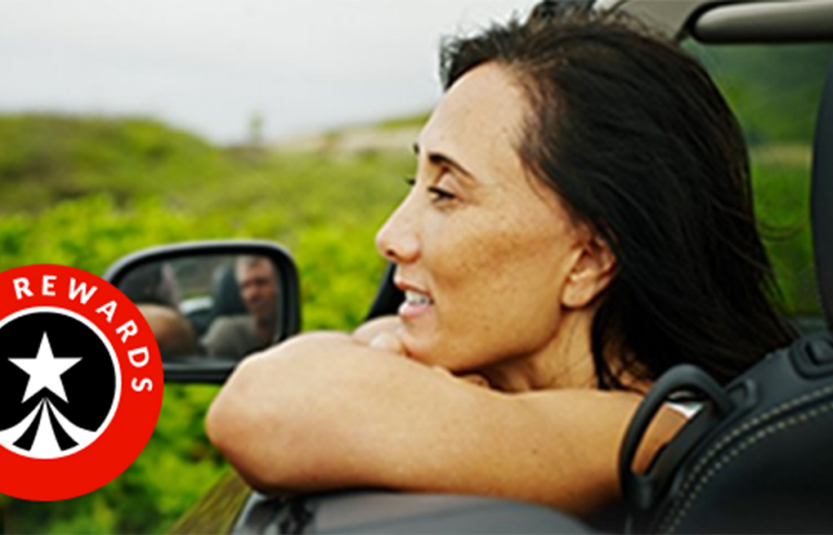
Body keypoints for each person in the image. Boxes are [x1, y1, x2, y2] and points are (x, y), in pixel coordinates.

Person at [205, 11, 795, 519]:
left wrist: (391, 358)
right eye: (418, 182)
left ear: (586, 263)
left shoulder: (653, 430)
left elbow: (263, 409)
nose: (390, 237)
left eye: (446, 193)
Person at [201, 256, 279, 358]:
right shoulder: (227, 334)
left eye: (261, 283)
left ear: (280, 287)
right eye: (245, 286)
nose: (252, 294)